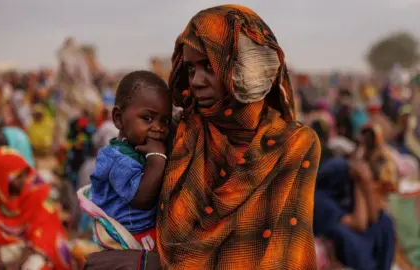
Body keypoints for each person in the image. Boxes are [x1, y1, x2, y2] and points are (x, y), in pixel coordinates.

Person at [85, 5, 320, 270]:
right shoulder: (183, 129)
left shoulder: (294, 144)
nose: (196, 80)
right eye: (191, 68)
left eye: (208, 65)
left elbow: (268, 254)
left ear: (243, 67)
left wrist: (154, 264)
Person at [82, 70, 171, 250]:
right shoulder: (115, 157)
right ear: (118, 118)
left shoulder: (141, 149)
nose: (159, 128)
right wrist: (157, 159)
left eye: (165, 121)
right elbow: (142, 199)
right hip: (127, 237)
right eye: (147, 118)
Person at [0, 147, 72, 270]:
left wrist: (18, 265)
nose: (23, 180)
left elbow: (45, 234)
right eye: (16, 177)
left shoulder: (36, 191)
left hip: (28, 250)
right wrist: (3, 266)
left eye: (24, 173)